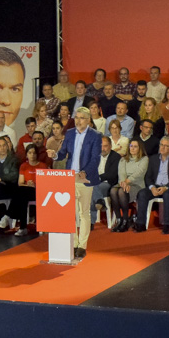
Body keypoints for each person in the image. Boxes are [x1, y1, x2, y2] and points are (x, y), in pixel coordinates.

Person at [48, 107, 102, 258]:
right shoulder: (70, 133)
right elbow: (63, 154)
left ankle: (82, 245)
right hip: (69, 177)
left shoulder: (95, 135)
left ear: (88, 120)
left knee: (84, 213)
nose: (78, 121)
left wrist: (85, 171)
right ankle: (74, 242)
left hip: (85, 177)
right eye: (76, 117)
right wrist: (54, 155)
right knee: (70, 213)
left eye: (82, 118)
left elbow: (95, 158)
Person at [110, 138, 149, 231]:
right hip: (123, 183)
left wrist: (127, 182)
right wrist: (124, 183)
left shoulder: (144, 159)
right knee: (113, 190)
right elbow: (121, 173)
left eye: (135, 147)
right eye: (131, 146)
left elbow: (139, 173)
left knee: (121, 192)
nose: (132, 148)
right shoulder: (123, 159)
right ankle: (119, 219)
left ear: (140, 148)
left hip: (137, 185)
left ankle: (125, 220)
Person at [8, 144, 47, 236]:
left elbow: (45, 184)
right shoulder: (24, 166)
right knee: (22, 196)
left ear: (37, 154)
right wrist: (27, 184)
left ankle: (12, 219)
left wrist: (34, 185)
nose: (32, 155)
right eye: (30, 153)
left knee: (21, 193)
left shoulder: (42, 166)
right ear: (26, 155)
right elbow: (20, 183)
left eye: (34, 153)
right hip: (26, 191)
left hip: (38, 191)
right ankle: (22, 227)